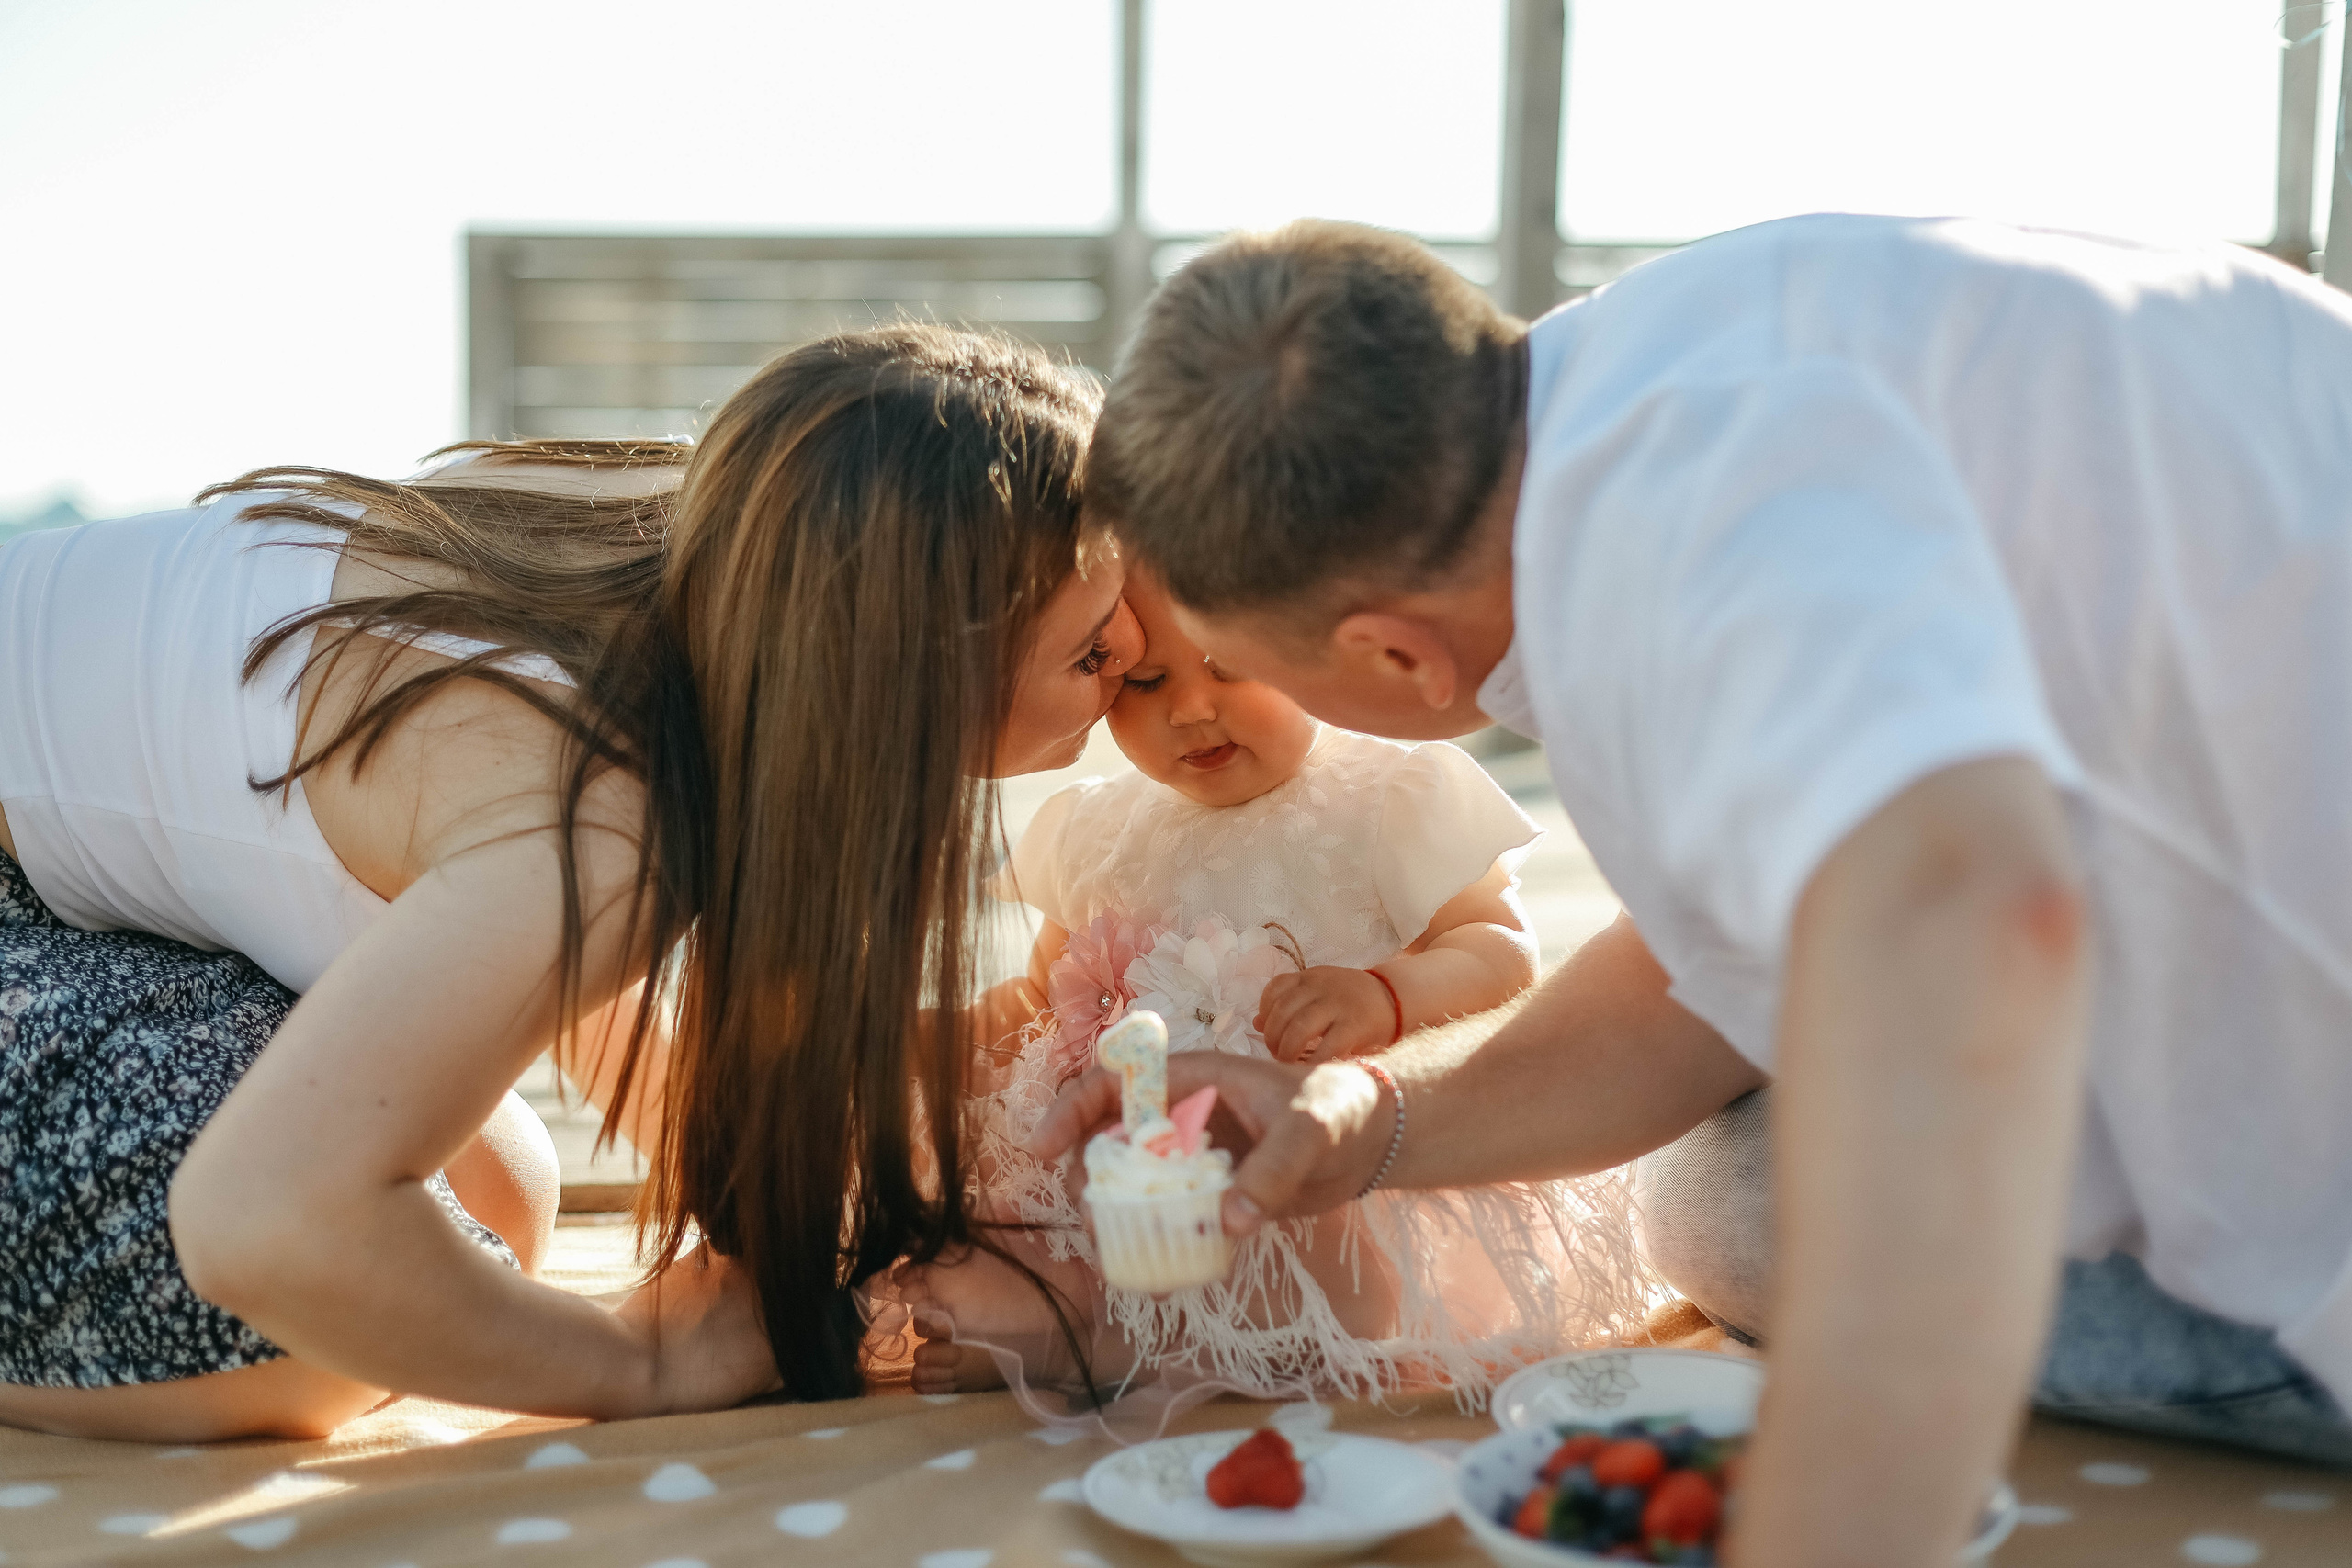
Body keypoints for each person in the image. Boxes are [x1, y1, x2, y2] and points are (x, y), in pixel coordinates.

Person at [1034, 217, 2352, 1565]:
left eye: (1257, 665)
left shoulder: (1697, 591)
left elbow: (1970, 926)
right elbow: (1715, 967)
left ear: (1397, 657)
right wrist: (1361, 1117)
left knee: (1754, 1206)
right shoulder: (1646, 385)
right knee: (1723, 1182)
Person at [0, 324, 1143, 1442]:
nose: (1134, 656)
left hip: (57, 895)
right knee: (306, 1332)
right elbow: (257, 1224)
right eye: (1090, 651)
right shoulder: (599, 824)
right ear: (915, 673)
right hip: (27, 914)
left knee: (496, 1196)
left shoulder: (697, 536)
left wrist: (802, 1194)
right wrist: (643, 1366)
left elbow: (586, 998)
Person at [899, 571, 1650, 1417]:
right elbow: (1046, 993)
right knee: (1003, 1223)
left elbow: (1500, 949)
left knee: (1341, 1282)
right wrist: (954, 1035)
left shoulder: (1383, 795)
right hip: (1141, 1173)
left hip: (1305, 1159)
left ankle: (1117, 1341)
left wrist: (1385, 993)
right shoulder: (1094, 831)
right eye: (1146, 682)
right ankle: (1072, 1314)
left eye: (1229, 665)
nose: (1190, 708)